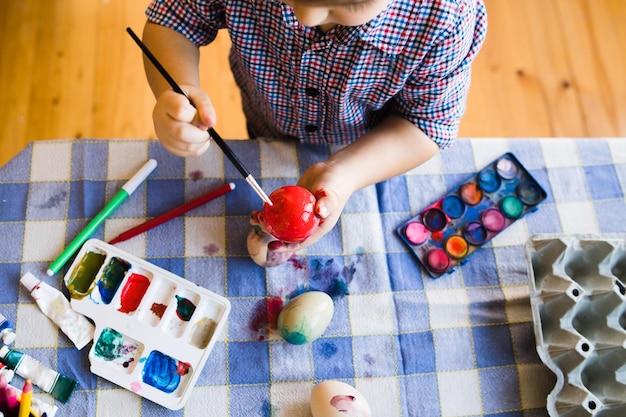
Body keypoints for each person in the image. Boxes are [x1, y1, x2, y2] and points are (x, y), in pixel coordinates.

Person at [141, 0, 487, 266]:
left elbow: (426, 123)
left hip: (372, 145)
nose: (305, 17)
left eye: (342, 4)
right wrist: (176, 88)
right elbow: (175, 20)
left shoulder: (445, 15)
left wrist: (346, 172)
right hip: (269, 121)